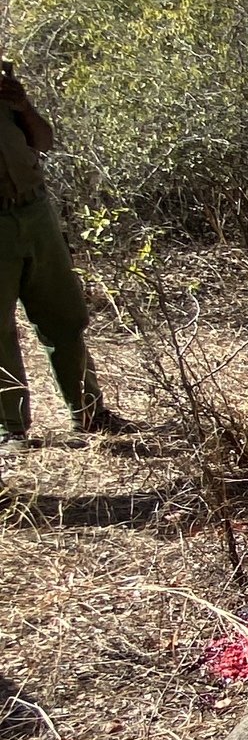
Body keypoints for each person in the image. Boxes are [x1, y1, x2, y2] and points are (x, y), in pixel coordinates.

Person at [0, 63, 121, 452]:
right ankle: (11, 429)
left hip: (35, 212)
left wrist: (24, 107)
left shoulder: (3, 82)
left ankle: (90, 412)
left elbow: (44, 141)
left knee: (65, 315)